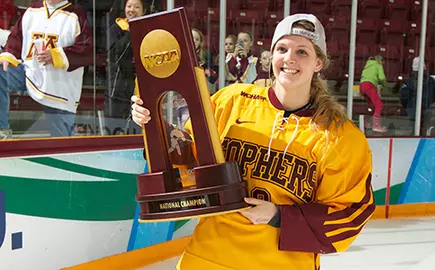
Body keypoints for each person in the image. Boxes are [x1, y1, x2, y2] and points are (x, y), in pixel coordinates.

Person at [131, 13, 375, 270]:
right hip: (208, 258)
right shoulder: (232, 101)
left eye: (302, 52)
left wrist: (279, 216)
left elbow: (349, 214)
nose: (289, 58)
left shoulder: (340, 137)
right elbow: (189, 159)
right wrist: (155, 126)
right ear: (271, 56)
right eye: (282, 49)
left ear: (319, 63)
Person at [0, 0, 93, 138]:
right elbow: (16, 36)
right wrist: (8, 54)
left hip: (59, 87)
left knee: (60, 144)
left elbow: (87, 50)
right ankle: (3, 130)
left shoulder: (77, 15)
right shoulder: (33, 9)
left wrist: (57, 55)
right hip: (30, 74)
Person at [103, 0, 144, 135]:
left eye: (137, 7)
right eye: (129, 6)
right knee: (114, 131)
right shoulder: (115, 28)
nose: (132, 10)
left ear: (143, 10)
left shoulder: (147, 30)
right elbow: (115, 54)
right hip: (117, 89)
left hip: (140, 88)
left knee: (137, 132)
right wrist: (129, 32)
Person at [400, 57, 435, 136]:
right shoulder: (431, 81)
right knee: (423, 130)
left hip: (413, 112)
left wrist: (408, 106)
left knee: (414, 130)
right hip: (425, 111)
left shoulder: (409, 82)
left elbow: (403, 98)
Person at [360, 55, 387, 133]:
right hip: (369, 85)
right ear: (381, 61)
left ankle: (366, 123)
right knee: (379, 105)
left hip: (362, 86)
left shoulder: (368, 65)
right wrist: (385, 85)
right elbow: (382, 77)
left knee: (371, 105)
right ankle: (376, 126)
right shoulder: (378, 64)